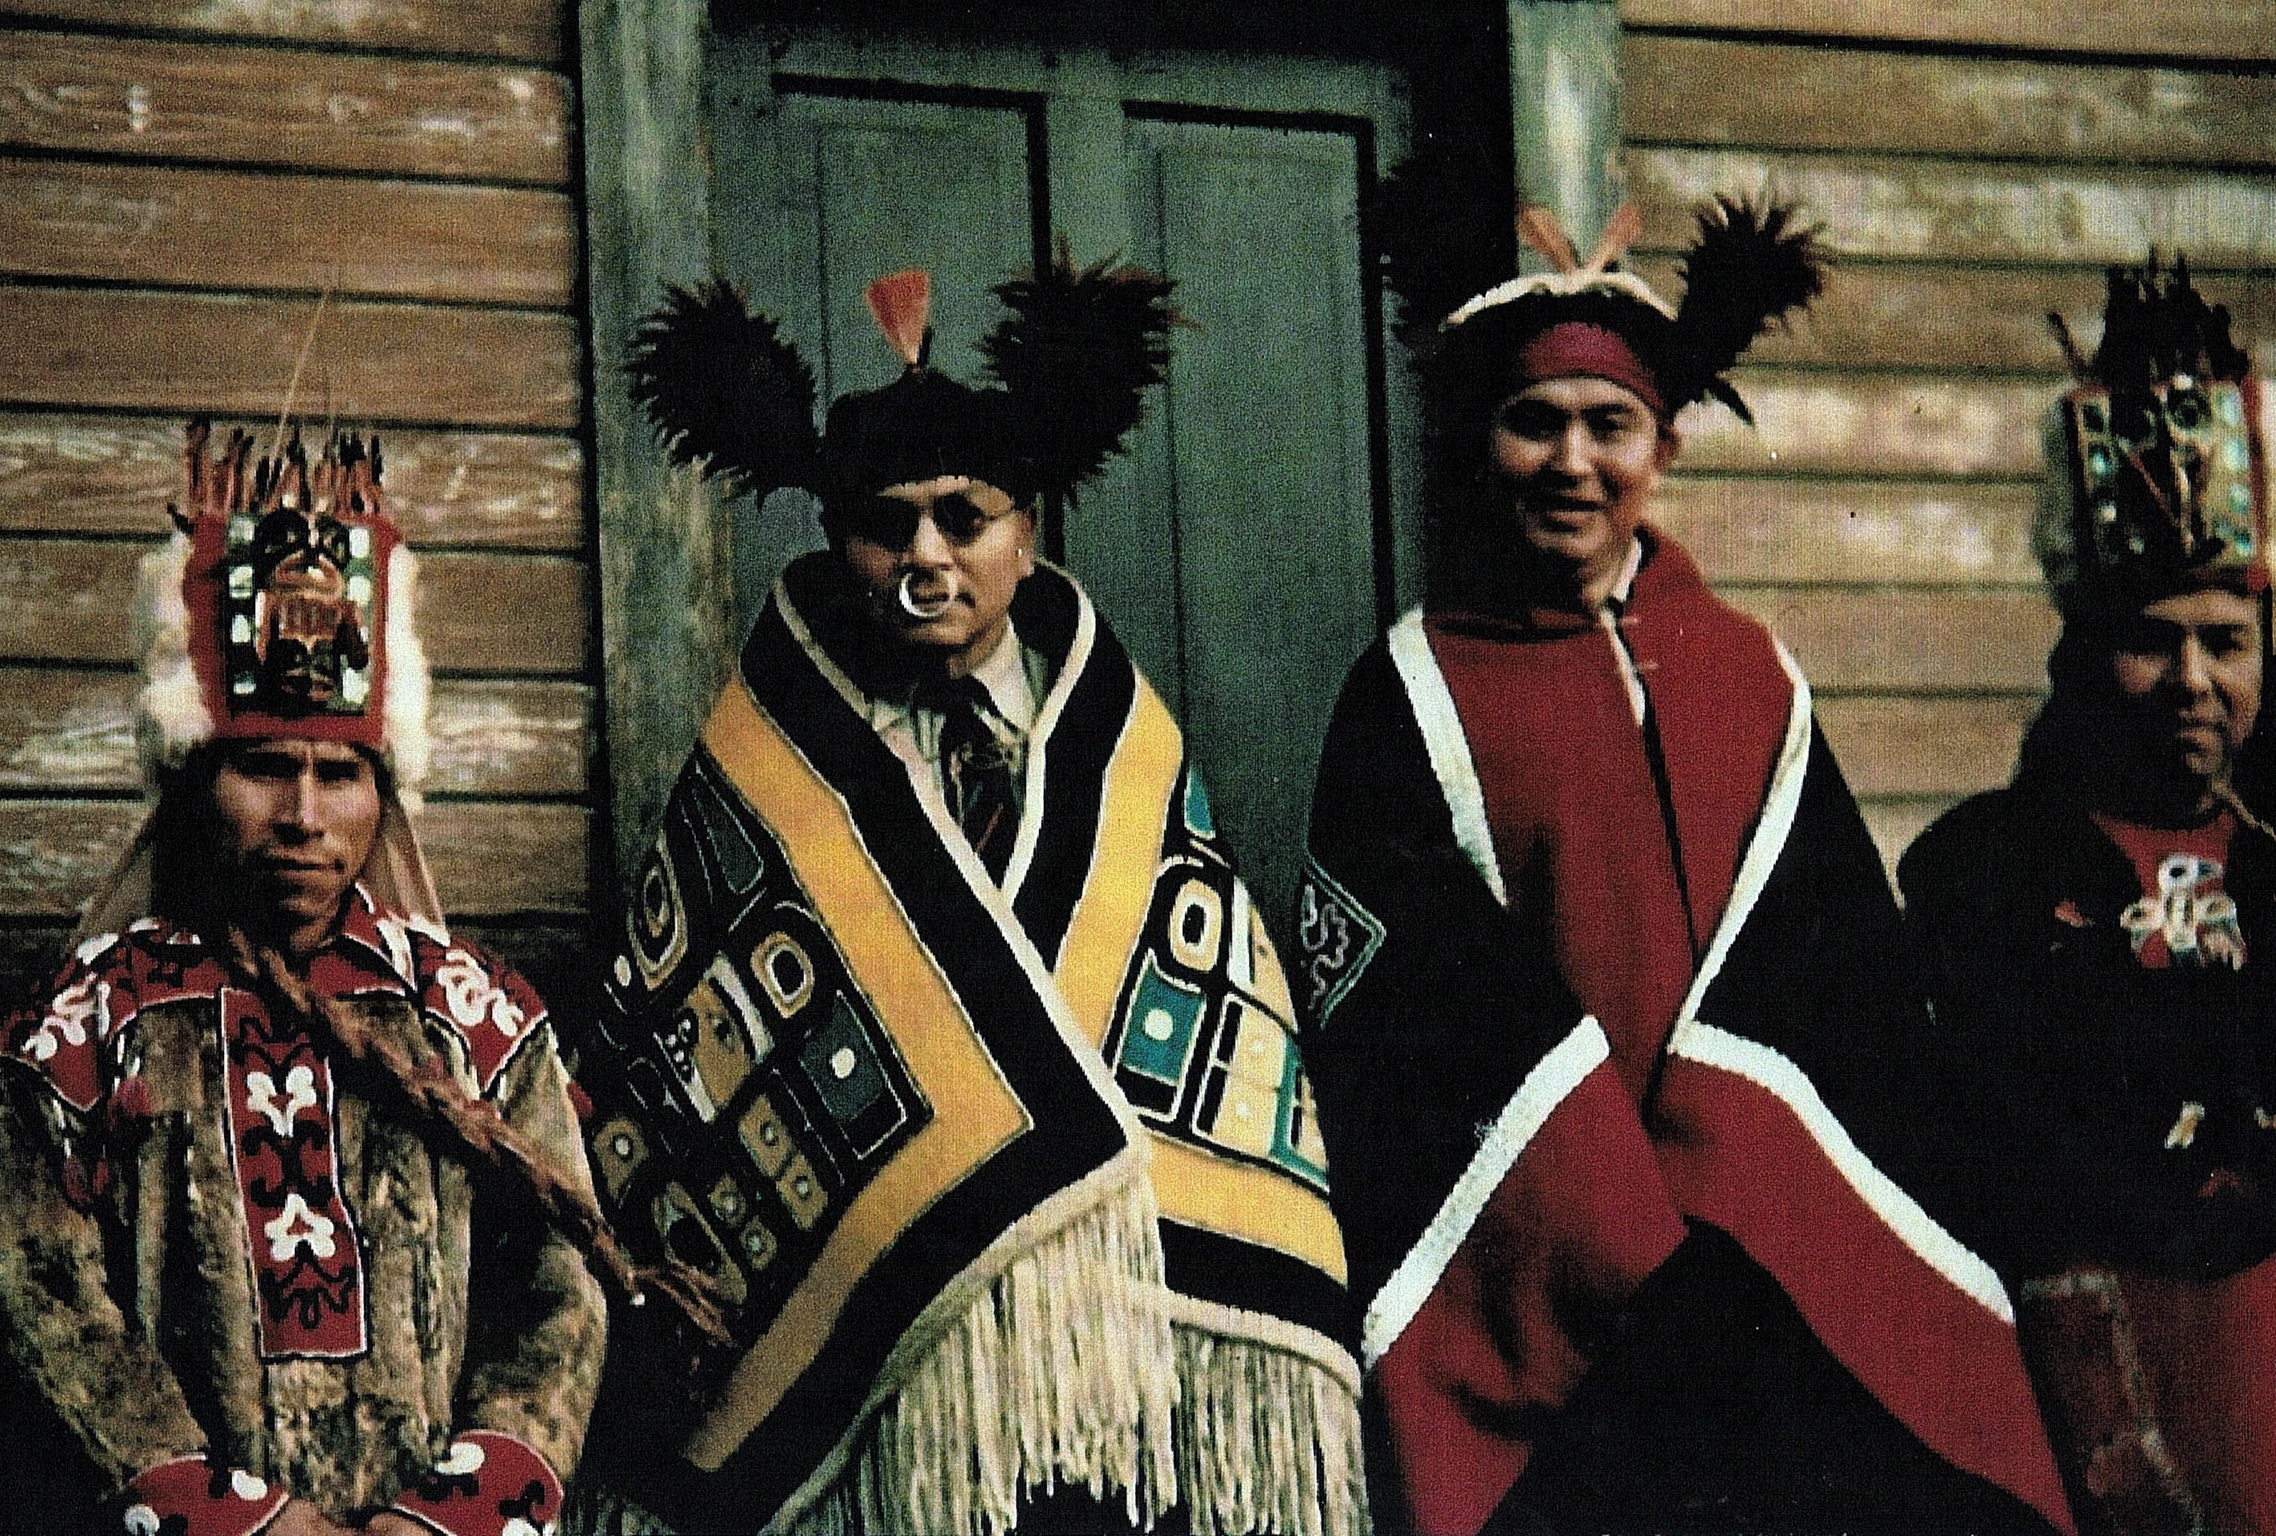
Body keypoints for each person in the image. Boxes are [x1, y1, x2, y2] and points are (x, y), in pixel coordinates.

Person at [1290, 197, 2076, 1535]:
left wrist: (1742, 1181)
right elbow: (1412, 1005)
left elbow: (1840, 967)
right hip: (1561, 1277)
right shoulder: (1411, 690)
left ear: (1665, 443)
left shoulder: (1747, 675)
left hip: (1768, 1269)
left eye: (1613, 426)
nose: (1573, 462)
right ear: (1485, 442)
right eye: (1536, 421)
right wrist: (1616, 1218)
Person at [568, 257, 1364, 1536]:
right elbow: (686, 1040)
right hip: (882, 1411)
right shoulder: (760, 770)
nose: (926, 556)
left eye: (964, 515)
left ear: (1029, 528)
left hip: (1118, 1374)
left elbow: (1230, 1027)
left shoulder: (1129, 763)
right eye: (887, 524)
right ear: (838, 538)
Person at [0, 424, 617, 1536]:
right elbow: (39, 1291)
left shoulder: (475, 1019)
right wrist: (233, 1519)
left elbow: (562, 1288)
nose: (306, 819)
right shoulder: (79, 1033)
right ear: (191, 779)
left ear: (387, 791)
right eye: (265, 768)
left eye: (342, 773)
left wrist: (454, 1516)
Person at [1900, 257, 2276, 1536]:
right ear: (2077, 655)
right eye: (2147, 638)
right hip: (2081, 1432)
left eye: (2225, 643)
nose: (2189, 679)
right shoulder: (1977, 882)